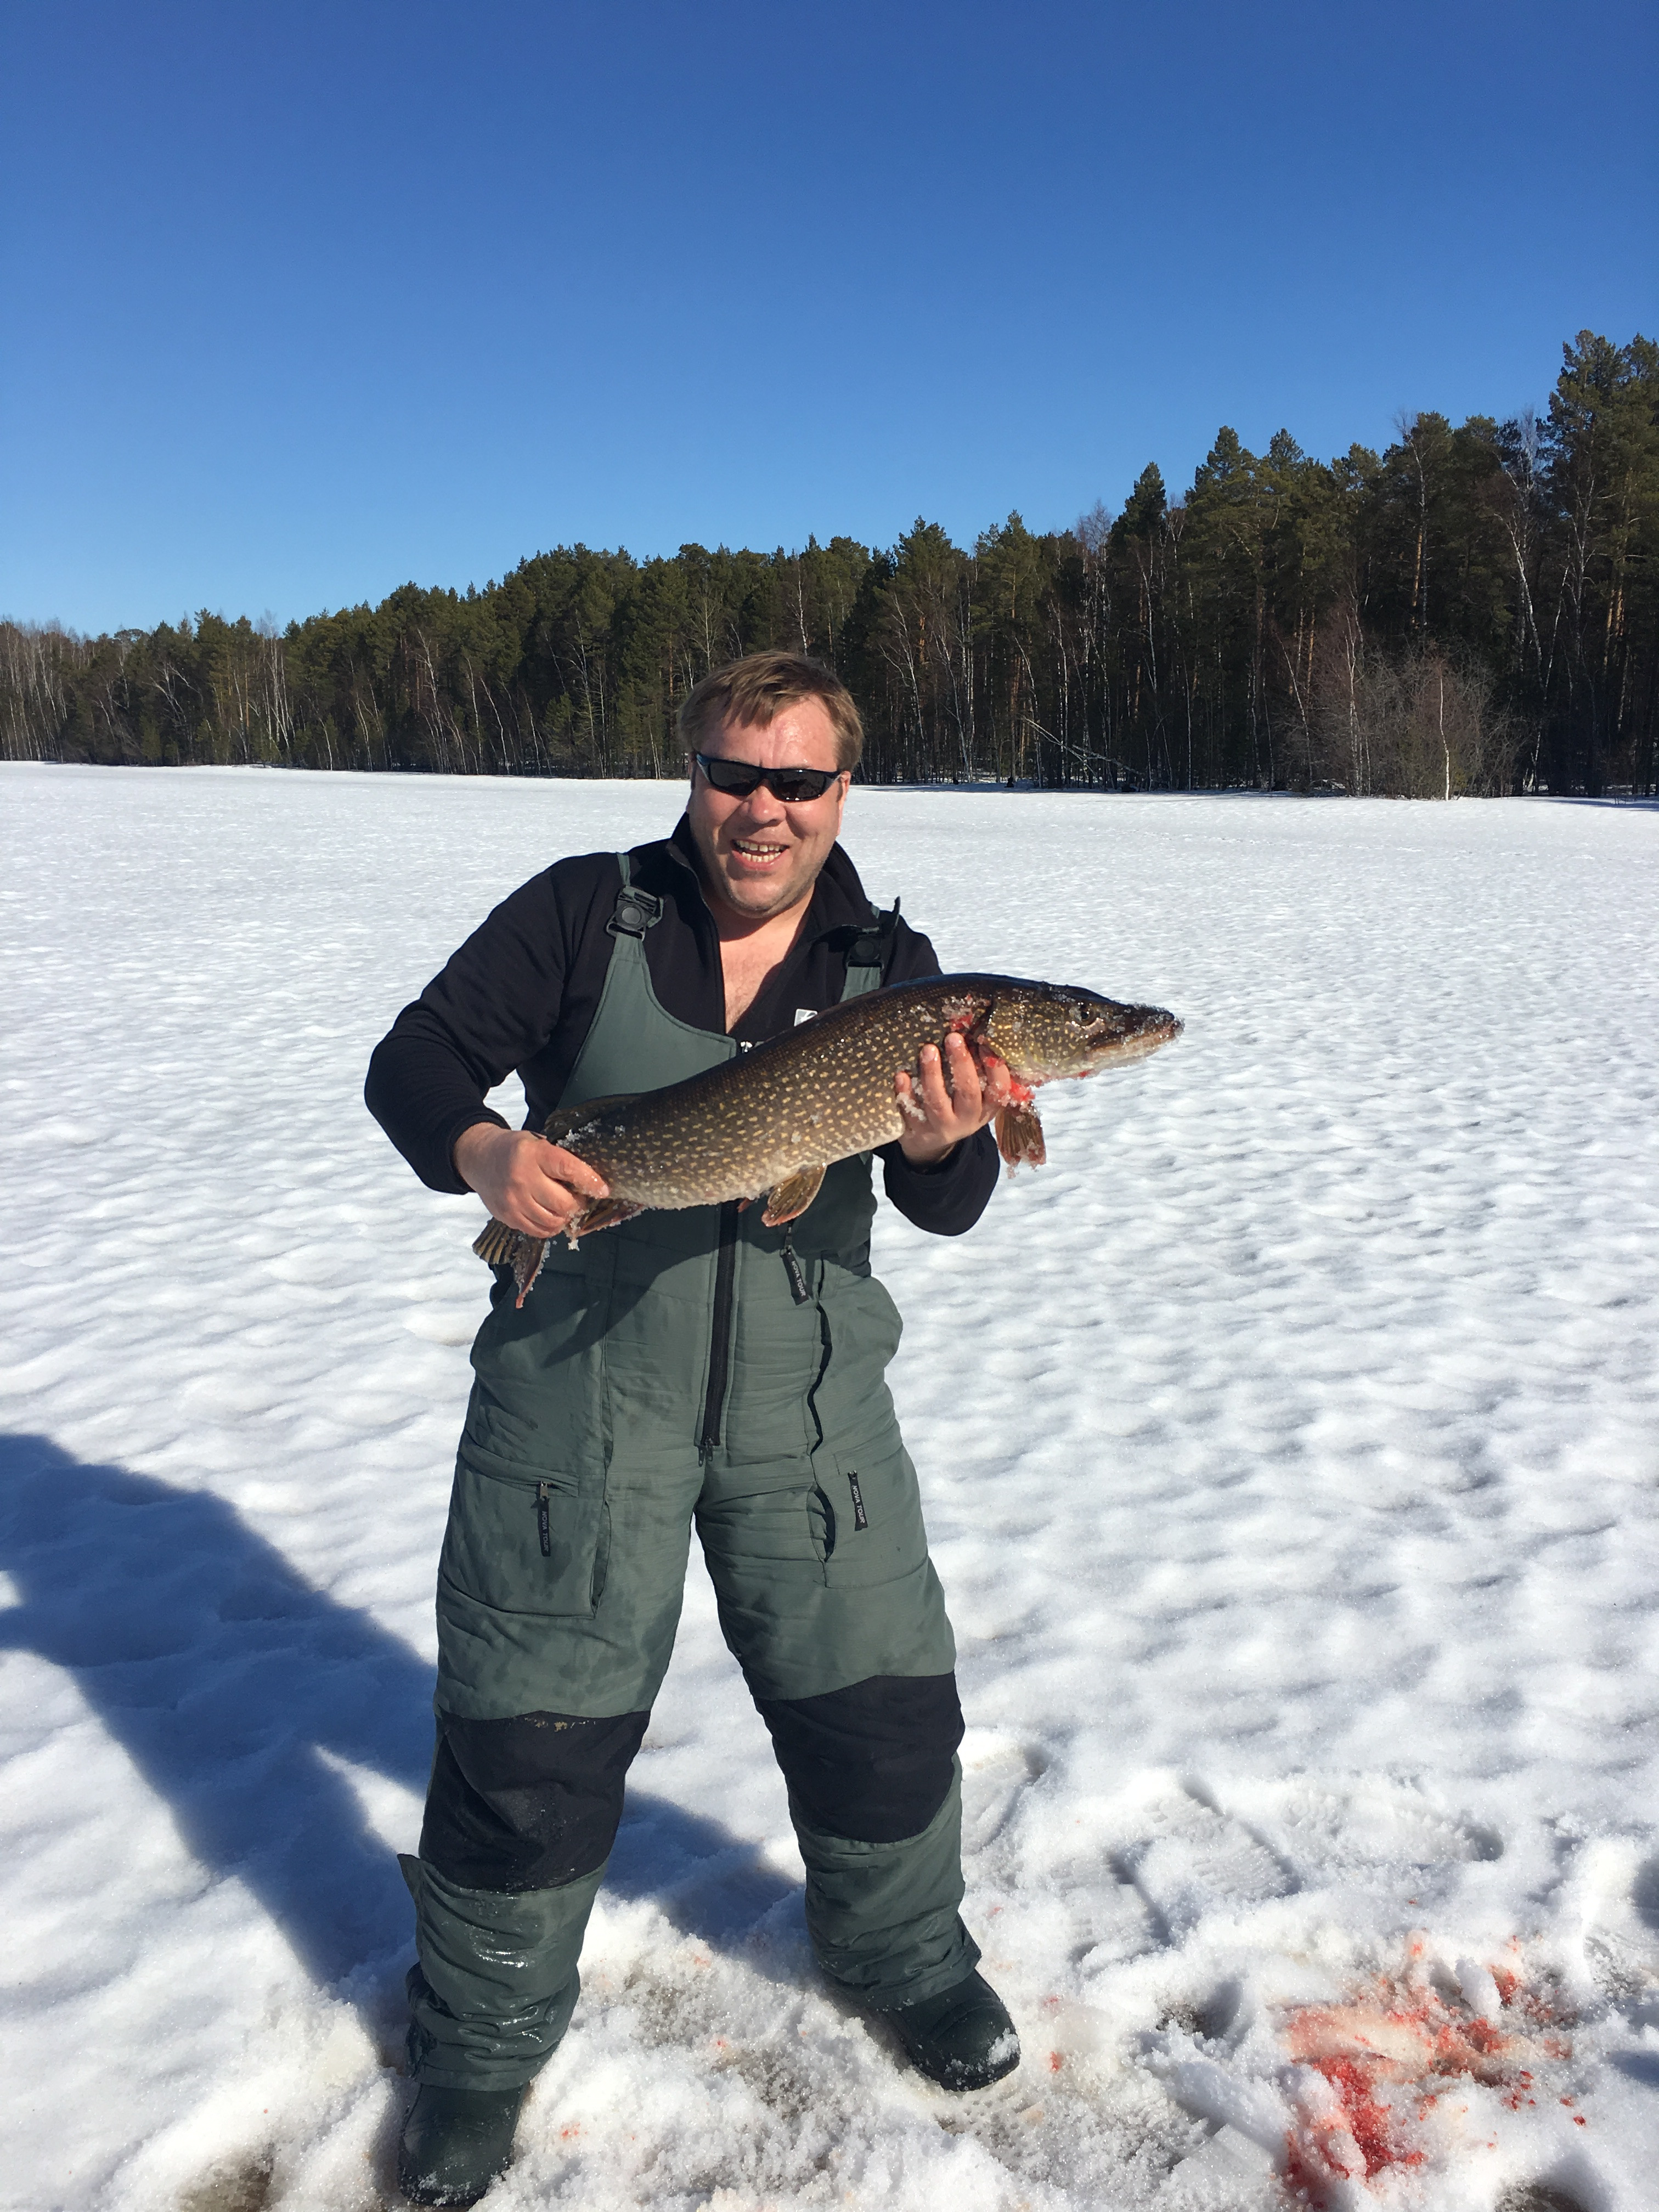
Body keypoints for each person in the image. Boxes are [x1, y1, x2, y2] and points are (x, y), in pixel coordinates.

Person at [366, 651, 1020, 2207]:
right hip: (579, 1399)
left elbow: (954, 1200)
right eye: (737, 773)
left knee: (880, 1710)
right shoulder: (585, 913)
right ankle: (479, 2042)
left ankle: (908, 1958)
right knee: (532, 1733)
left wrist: (942, 1141)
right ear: (694, 774)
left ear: (842, 793)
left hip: (809, 1404)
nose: (763, 810)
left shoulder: (893, 965)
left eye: (798, 781)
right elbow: (414, 1062)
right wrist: (482, 1155)